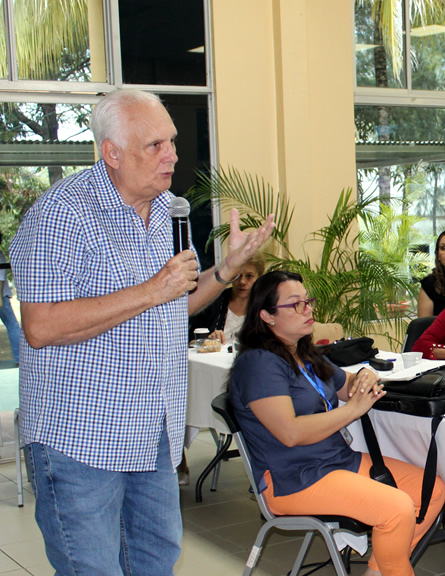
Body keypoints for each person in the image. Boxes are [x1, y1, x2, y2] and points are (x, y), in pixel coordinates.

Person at [11, 89, 274, 574]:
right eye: (155, 145)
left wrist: (226, 269)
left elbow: (177, 304)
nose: (172, 155)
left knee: (155, 565)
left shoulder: (168, 212)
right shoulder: (61, 215)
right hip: (80, 439)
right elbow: (41, 327)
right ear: (111, 152)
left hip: (153, 429)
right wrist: (151, 289)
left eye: (171, 141)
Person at [230, 271, 445, 576]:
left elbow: (346, 386)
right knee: (396, 508)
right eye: (295, 305)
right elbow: (290, 433)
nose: (308, 310)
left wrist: (365, 376)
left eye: (308, 301)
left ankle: (378, 570)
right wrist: (352, 410)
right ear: (266, 316)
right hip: (293, 477)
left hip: (334, 461)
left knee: (431, 491)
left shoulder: (302, 352)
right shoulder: (259, 363)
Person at [190, 252, 265, 343]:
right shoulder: (213, 302)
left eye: (249, 276)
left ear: (259, 278)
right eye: (237, 276)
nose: (242, 282)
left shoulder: (264, 305)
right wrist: (207, 341)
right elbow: (192, 341)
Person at [0, 231, 21, 366]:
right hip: (1, 296)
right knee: (13, 325)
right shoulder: (0, 255)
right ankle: (20, 357)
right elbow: (0, 278)